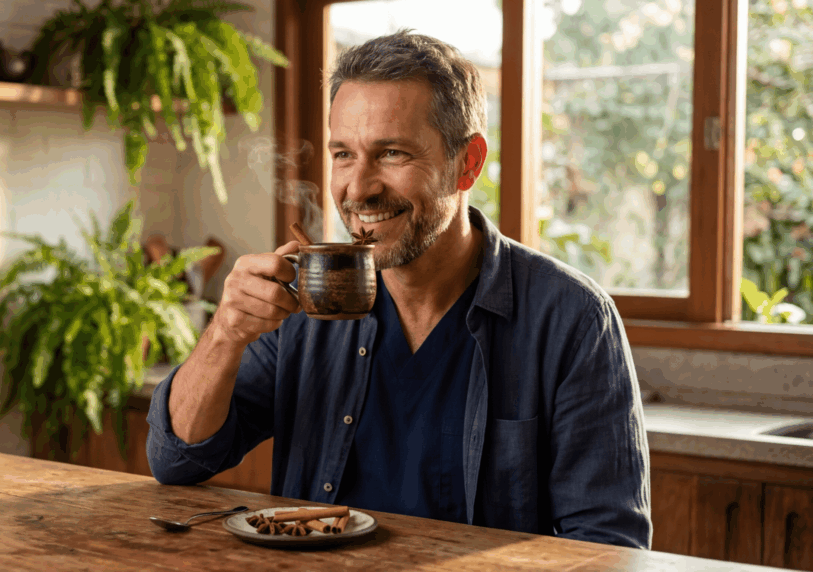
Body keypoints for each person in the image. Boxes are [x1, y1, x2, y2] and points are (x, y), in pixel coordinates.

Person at [146, 30, 651, 549]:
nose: (358, 188)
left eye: (391, 153)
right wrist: (226, 333)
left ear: (468, 163)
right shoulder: (304, 304)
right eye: (343, 154)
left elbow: (609, 545)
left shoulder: (572, 319)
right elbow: (177, 459)